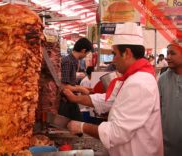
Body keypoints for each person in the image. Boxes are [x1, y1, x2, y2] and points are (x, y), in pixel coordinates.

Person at [63, 23, 163, 156]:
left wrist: (81, 126)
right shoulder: (131, 77)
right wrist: (75, 98)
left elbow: (116, 133)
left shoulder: (139, 83)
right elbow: (108, 100)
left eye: (114, 54)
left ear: (126, 53)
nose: (113, 60)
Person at [58, 37, 93, 121]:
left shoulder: (74, 61)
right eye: (87, 53)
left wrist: (83, 88)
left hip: (71, 99)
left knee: (77, 126)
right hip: (64, 102)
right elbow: (64, 86)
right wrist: (80, 88)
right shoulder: (68, 61)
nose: (85, 56)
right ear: (83, 50)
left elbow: (70, 84)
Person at [158, 41, 182, 156]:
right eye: (167, 53)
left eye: (172, 53)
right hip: (167, 142)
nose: (168, 57)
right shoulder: (162, 79)